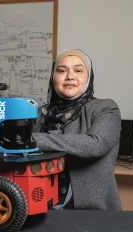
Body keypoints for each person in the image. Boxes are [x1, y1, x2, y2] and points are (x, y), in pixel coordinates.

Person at [32, 49, 122, 210]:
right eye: (61, 70)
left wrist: (33, 140)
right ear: (54, 77)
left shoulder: (105, 108)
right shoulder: (40, 113)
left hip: (89, 212)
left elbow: (95, 145)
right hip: (40, 206)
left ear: (88, 77)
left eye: (78, 70)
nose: (70, 76)